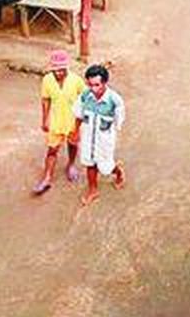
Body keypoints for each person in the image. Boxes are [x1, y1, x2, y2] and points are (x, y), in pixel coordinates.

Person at [72, 63, 126, 206]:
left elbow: (117, 124)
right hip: (88, 137)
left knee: (106, 167)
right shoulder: (84, 96)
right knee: (89, 163)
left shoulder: (115, 101)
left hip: (104, 139)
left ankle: (118, 171)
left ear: (105, 83)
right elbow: (78, 115)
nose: (93, 89)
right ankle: (93, 190)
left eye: (97, 85)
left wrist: (110, 136)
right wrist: (75, 132)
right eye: (90, 85)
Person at [34, 50, 84, 195]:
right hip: (56, 121)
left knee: (72, 144)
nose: (59, 73)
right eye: (55, 70)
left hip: (73, 121)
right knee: (52, 150)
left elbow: (85, 99)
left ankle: (71, 165)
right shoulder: (47, 80)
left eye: (62, 69)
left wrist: (81, 122)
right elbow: (45, 99)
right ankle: (47, 178)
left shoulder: (76, 80)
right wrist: (44, 119)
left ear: (66, 67)